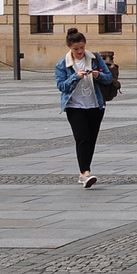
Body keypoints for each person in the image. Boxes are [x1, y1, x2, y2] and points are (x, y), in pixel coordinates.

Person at [55, 27, 112, 187]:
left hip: (95, 105)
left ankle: (83, 173)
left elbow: (108, 78)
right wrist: (75, 76)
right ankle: (85, 172)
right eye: (76, 49)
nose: (80, 51)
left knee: (91, 140)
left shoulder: (95, 58)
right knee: (82, 139)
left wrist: (97, 75)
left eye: (82, 48)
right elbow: (62, 86)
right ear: (69, 48)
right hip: (75, 106)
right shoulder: (62, 64)